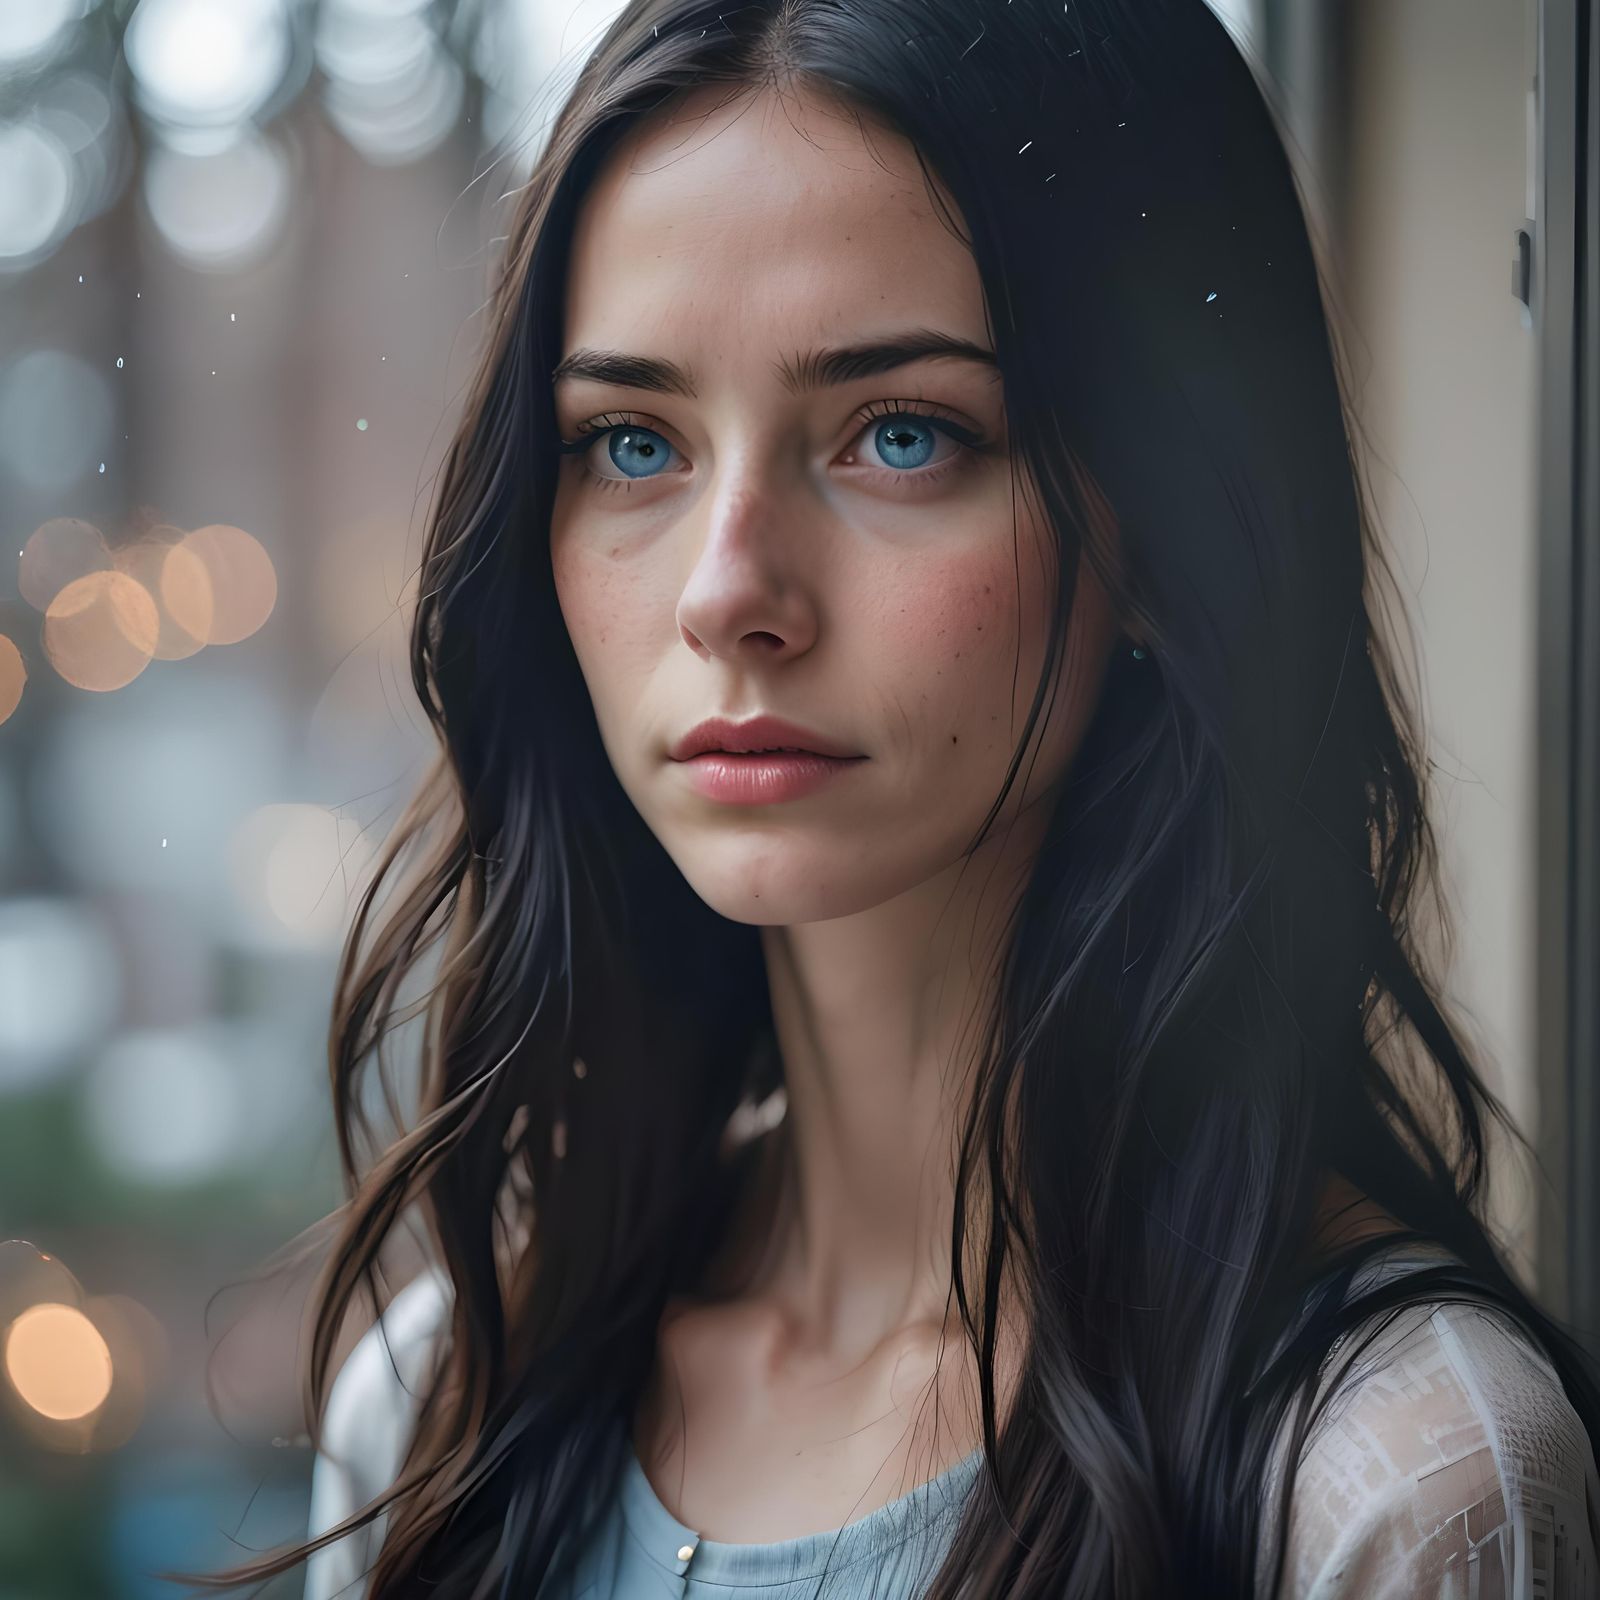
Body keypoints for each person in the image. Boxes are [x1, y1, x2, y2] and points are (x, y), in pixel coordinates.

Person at [188, 1, 1600, 1596]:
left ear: (1168, 520)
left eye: (902, 433)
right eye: (635, 443)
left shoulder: (1388, 1483)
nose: (728, 594)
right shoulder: (449, 1406)